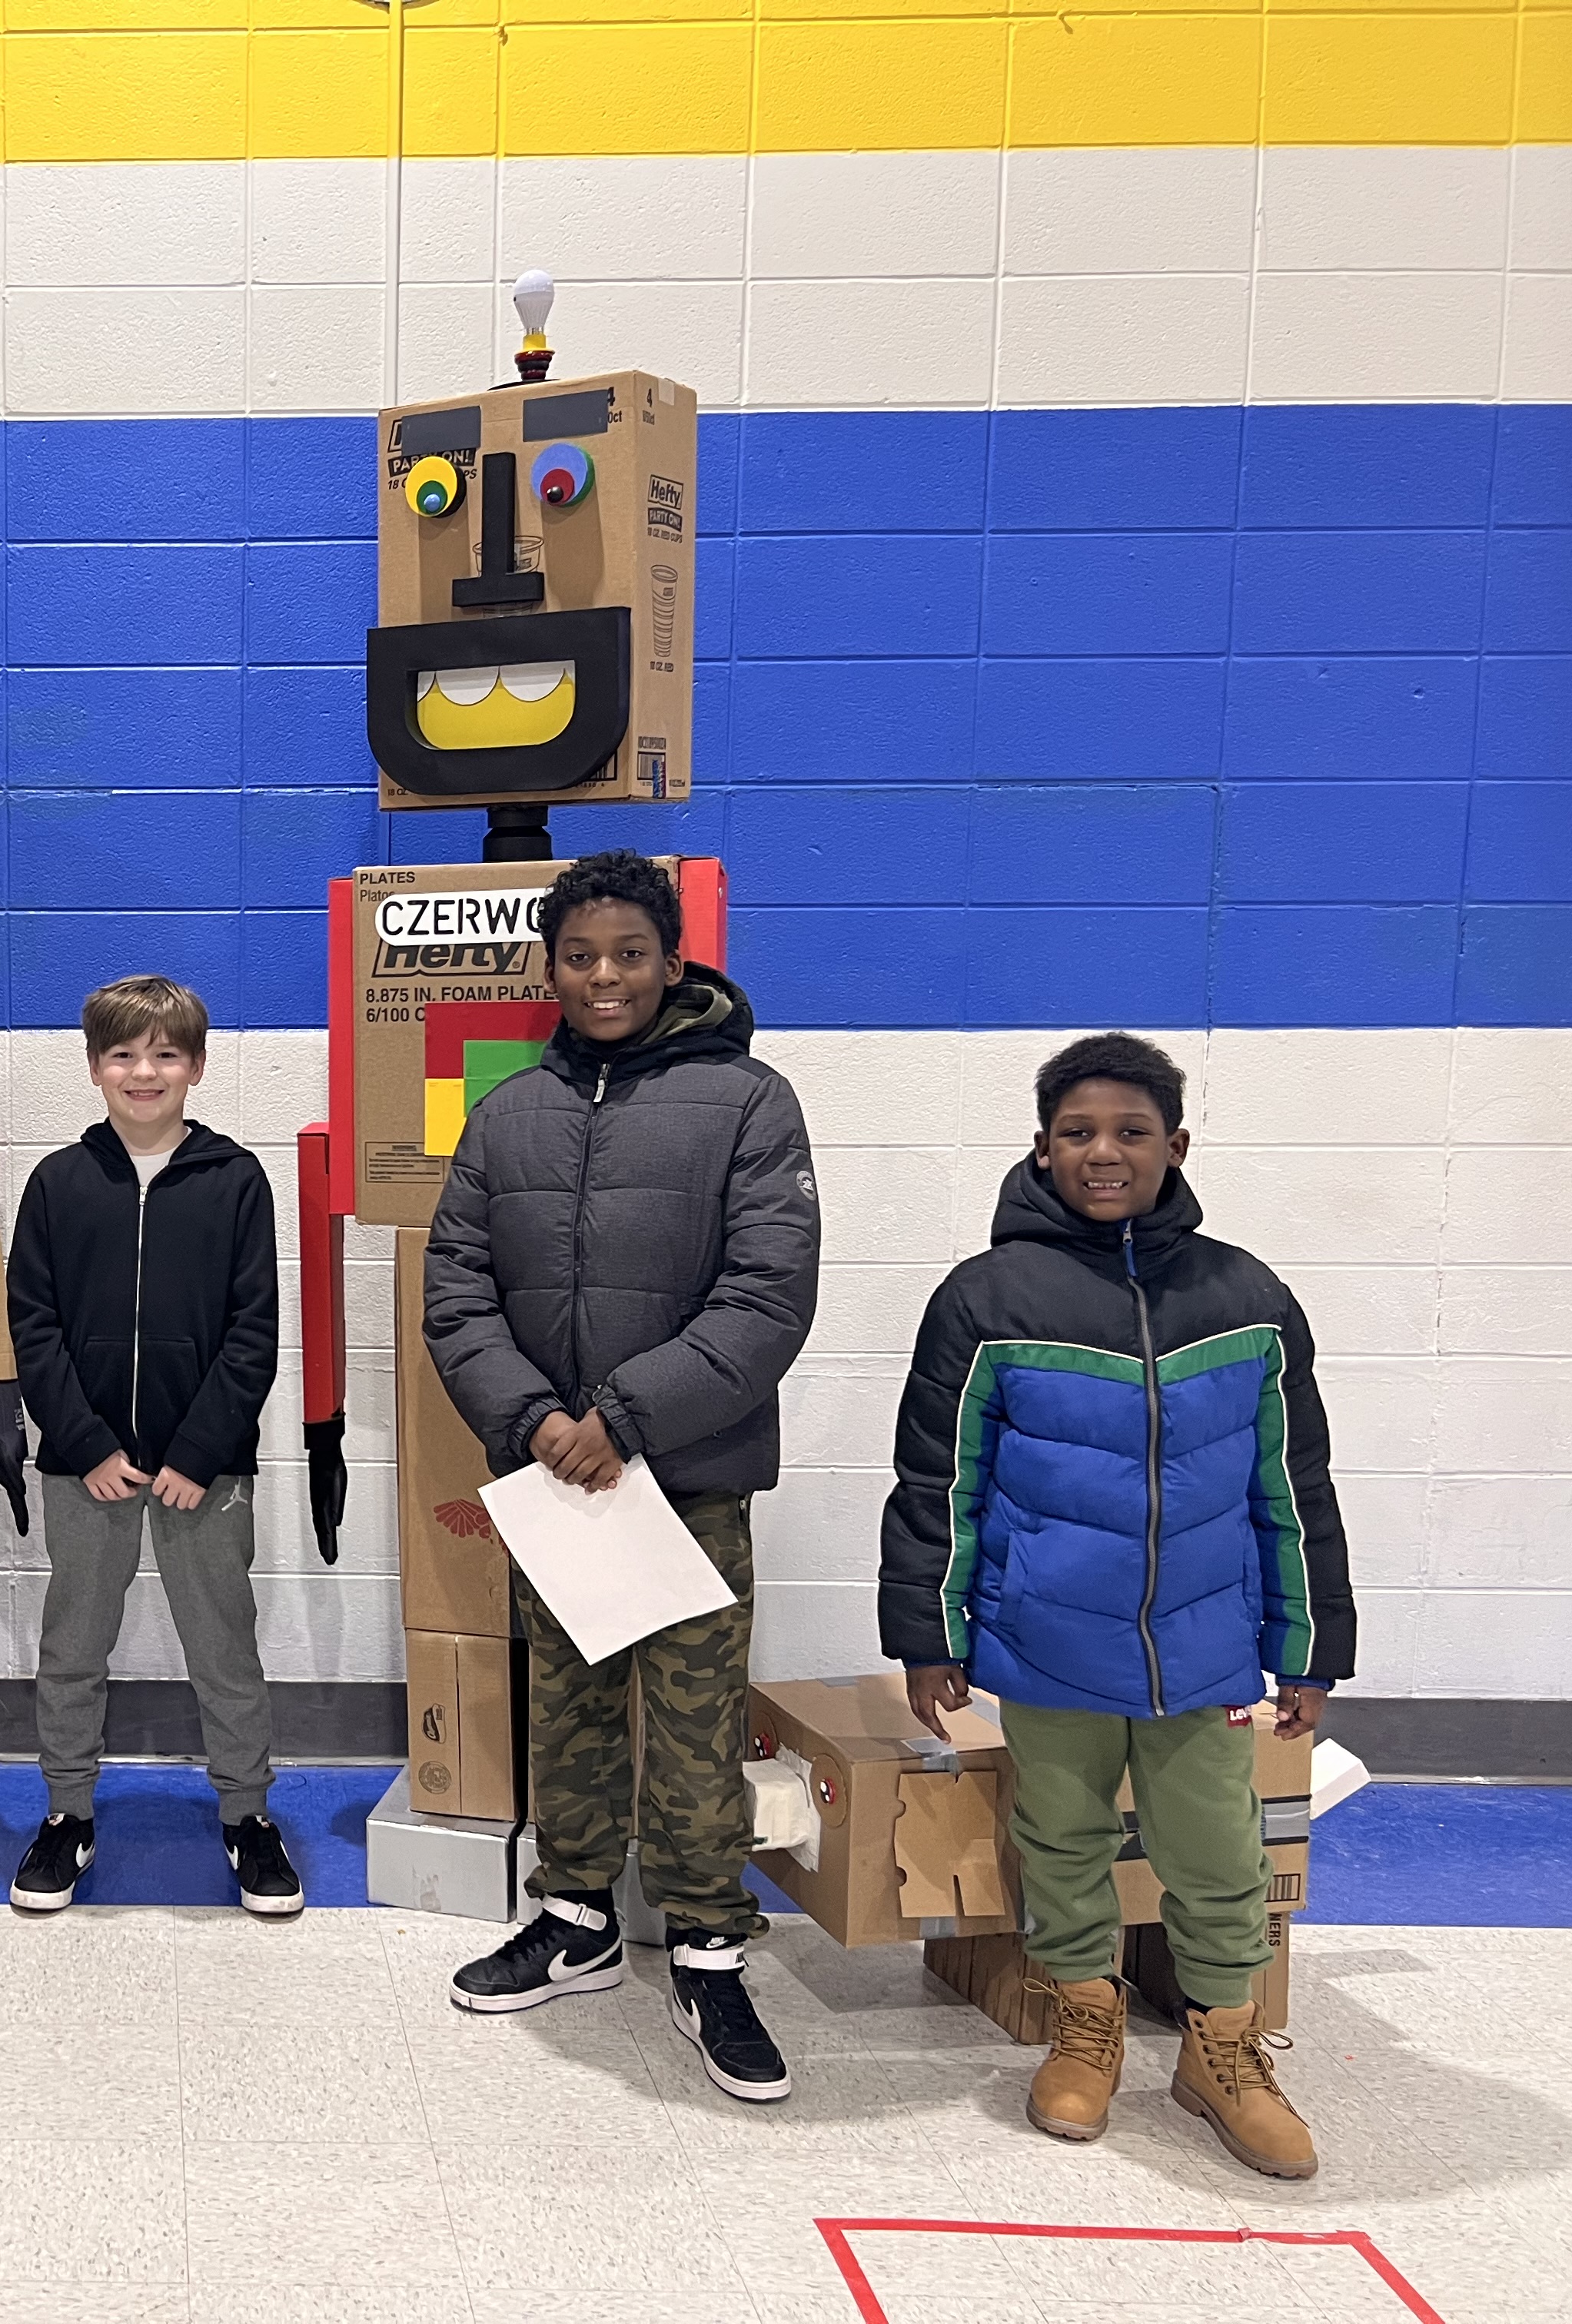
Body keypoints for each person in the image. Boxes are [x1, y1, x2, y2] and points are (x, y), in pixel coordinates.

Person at [880, 1033, 1355, 2179]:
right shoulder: (984, 1300)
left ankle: (1223, 2050)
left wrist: (1308, 1647)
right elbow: (939, 1482)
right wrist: (931, 1639)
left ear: (1175, 1146)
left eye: (1131, 1132)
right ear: (1042, 1150)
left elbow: (1294, 1484)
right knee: (1063, 1838)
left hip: (1203, 1645)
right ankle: (1083, 2020)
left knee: (1215, 1850)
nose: (1106, 1152)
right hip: (1047, 1642)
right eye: (1079, 1132)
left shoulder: (1247, 1298)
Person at [422, 849, 819, 2103]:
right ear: (552, 964)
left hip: (683, 1478)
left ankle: (707, 1947)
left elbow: (767, 1296)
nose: (603, 976)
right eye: (580, 955)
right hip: (558, 1479)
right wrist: (539, 1420)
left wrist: (629, 1415)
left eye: (628, 953)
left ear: (670, 958)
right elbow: (456, 1289)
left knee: (696, 1728)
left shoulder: (748, 1100)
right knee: (569, 1707)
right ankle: (578, 1915)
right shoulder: (507, 1109)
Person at [4, 974, 301, 1916]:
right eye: (125, 1054)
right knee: (73, 1645)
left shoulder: (237, 1180)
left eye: (166, 1054)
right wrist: (84, 1442)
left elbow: (254, 1331)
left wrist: (197, 1452)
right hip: (84, 1468)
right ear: (95, 1067)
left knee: (224, 1647)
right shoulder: (57, 1183)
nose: (145, 1072)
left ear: (197, 1067)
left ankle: (248, 1819)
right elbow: (33, 1325)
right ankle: (66, 1817)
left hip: (201, 1471)